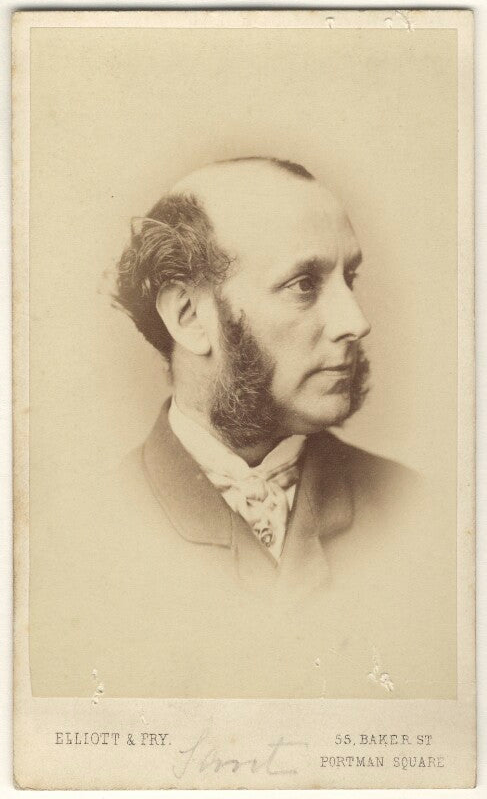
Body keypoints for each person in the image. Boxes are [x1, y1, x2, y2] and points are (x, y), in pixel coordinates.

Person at [30, 158, 455, 699]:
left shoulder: (421, 514)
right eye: (304, 284)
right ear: (189, 316)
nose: (356, 321)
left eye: (349, 278)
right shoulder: (76, 544)